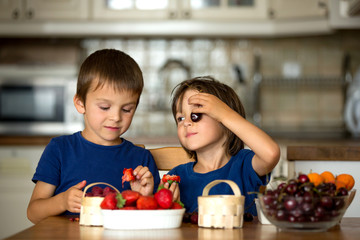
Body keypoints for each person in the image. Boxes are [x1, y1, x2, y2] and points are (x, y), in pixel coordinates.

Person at [27, 49, 160, 224]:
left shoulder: (141, 158)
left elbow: (156, 222)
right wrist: (61, 201)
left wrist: (144, 197)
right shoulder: (60, 149)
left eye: (127, 109)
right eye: (105, 107)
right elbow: (33, 213)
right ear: (80, 104)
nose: (116, 117)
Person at [164, 76, 280, 216]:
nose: (186, 123)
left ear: (225, 122)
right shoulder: (176, 177)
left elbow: (271, 153)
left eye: (196, 115)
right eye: (180, 118)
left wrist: (224, 114)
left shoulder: (244, 165)